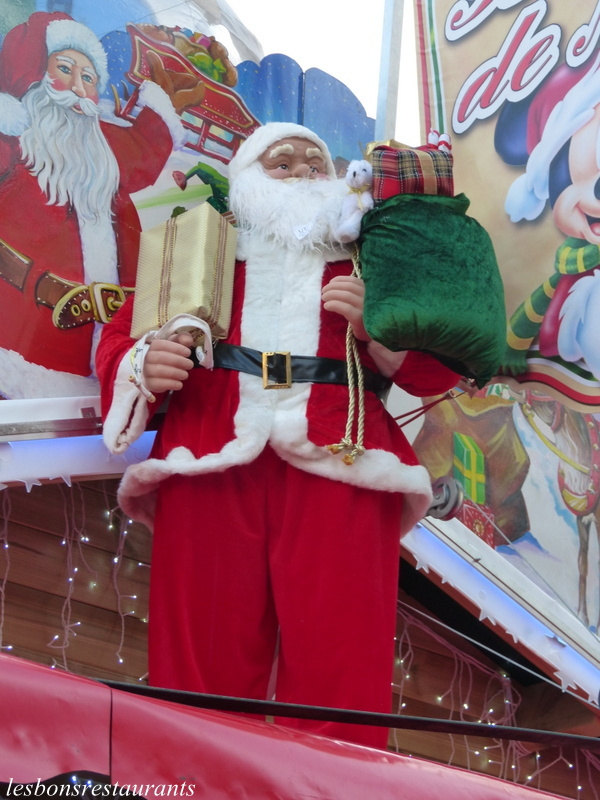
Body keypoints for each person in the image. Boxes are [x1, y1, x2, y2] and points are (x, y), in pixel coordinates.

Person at [97, 122, 460, 749]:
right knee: (199, 671)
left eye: (315, 165)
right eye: (281, 163)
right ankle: (193, 781)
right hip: (210, 457)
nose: (300, 174)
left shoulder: (370, 259)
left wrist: (382, 326)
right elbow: (121, 338)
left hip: (344, 461)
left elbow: (438, 368)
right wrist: (144, 365)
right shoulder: (199, 250)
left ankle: (328, 788)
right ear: (245, 180)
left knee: (342, 672)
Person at [0, 11, 202, 399]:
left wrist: (162, 103)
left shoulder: (100, 145)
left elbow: (141, 151)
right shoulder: (13, 141)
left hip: (98, 354)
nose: (78, 88)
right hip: (16, 338)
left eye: (89, 78)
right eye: (64, 69)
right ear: (35, 75)